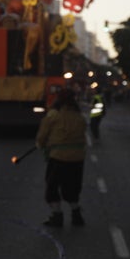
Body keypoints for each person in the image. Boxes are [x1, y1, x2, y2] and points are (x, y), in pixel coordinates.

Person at [35, 88, 88, 226]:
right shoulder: (79, 117)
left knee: (52, 187)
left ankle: (57, 215)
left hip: (58, 158)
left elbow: (42, 136)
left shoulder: (53, 115)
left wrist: (41, 144)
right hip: (77, 158)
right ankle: (76, 214)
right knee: (72, 187)